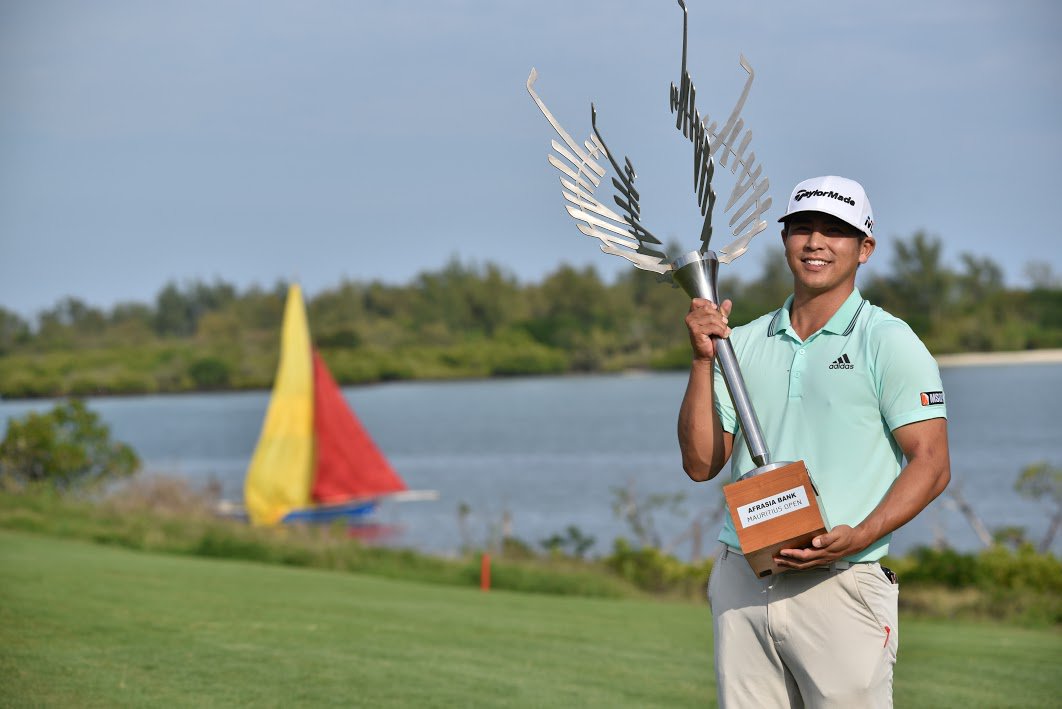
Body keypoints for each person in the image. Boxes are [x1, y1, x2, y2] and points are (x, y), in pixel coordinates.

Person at [677, 175, 951, 708]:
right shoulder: (744, 341)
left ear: (864, 248)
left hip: (842, 578)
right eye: (802, 228)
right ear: (784, 243)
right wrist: (701, 360)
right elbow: (700, 463)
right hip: (745, 578)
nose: (815, 243)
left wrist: (863, 533)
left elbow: (932, 464)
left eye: (835, 231)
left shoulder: (888, 341)